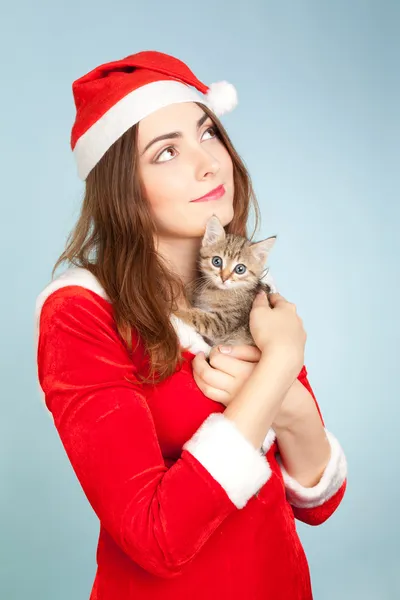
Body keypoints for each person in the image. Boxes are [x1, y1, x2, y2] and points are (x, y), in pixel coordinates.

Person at [34, 50, 347, 600]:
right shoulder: (80, 313)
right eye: (166, 152)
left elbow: (319, 503)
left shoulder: (242, 286)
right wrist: (278, 366)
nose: (208, 163)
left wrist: (290, 403)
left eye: (208, 133)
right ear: (122, 187)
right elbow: (156, 539)